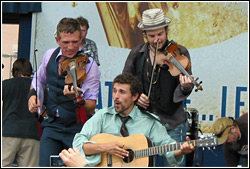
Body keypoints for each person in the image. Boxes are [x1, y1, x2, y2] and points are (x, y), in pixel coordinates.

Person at [122, 8, 195, 166]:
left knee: (173, 164)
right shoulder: (136, 54)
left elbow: (184, 90)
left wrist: (186, 86)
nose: (156, 40)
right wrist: (136, 96)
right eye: (152, 36)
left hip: (172, 122)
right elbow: (124, 84)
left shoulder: (180, 52)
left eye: (160, 34)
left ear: (166, 30)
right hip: (143, 123)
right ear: (145, 35)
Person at [72, 73, 194, 167]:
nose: (116, 96)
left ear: (135, 96)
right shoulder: (103, 115)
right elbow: (78, 143)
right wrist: (105, 147)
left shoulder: (149, 122)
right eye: (114, 91)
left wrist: (182, 150)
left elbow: (167, 146)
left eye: (122, 92)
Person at [28, 17, 101, 166]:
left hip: (77, 129)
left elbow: (91, 106)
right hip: (51, 125)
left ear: (81, 39)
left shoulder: (90, 65)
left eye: (75, 42)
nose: (70, 47)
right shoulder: (49, 55)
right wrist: (32, 95)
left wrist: (77, 99)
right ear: (57, 40)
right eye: (66, 42)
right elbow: (38, 80)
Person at [2, 58, 40, 167]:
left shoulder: (6, 85)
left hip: (9, 132)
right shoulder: (37, 87)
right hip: (31, 133)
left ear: (14, 71)